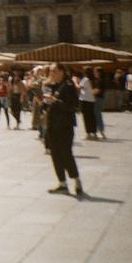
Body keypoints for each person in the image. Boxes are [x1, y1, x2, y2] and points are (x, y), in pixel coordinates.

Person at [45, 64, 84, 196]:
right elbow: (48, 105)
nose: (51, 73)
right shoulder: (51, 85)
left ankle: (76, 180)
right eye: (50, 71)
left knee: (66, 153)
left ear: (62, 72)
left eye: (54, 71)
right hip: (52, 124)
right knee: (55, 153)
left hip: (65, 125)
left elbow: (74, 106)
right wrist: (44, 101)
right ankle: (62, 183)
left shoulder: (68, 85)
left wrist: (55, 101)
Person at [78, 68, 97, 139]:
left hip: (85, 100)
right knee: (92, 117)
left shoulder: (85, 79)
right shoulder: (93, 79)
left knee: (86, 117)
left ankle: (88, 133)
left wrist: (75, 82)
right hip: (91, 100)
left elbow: (79, 87)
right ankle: (94, 132)